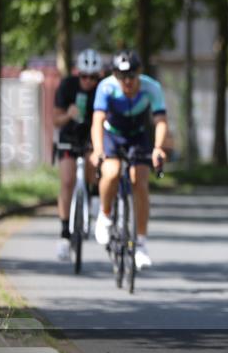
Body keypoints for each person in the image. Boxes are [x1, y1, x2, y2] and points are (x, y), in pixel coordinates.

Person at [90, 51, 169, 269]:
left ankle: (141, 244)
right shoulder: (106, 87)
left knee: (140, 181)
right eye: (121, 76)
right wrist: (97, 150)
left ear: (139, 74)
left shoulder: (151, 87)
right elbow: (97, 120)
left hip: (138, 135)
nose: (127, 81)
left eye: (131, 76)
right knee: (112, 172)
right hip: (112, 134)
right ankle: (105, 216)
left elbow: (160, 120)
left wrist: (158, 149)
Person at [54, 49, 104, 261]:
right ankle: (65, 234)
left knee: (94, 165)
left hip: (92, 140)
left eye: (93, 77)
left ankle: (93, 198)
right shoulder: (67, 86)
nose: (89, 81)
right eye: (85, 76)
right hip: (69, 139)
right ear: (78, 74)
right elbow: (56, 120)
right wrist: (68, 115)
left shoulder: (103, 89)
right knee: (67, 181)